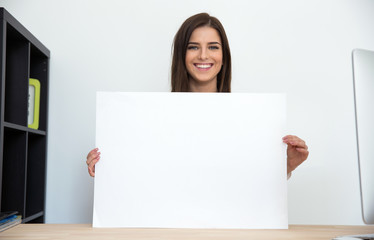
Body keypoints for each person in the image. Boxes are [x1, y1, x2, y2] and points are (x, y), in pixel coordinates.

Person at [86, 13, 309, 177]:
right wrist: (107, 166)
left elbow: (243, 186)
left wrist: (285, 168)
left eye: (213, 47)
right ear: (182, 55)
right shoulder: (150, 118)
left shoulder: (250, 121)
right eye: (193, 47)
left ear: (224, 56)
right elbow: (148, 177)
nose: (203, 55)